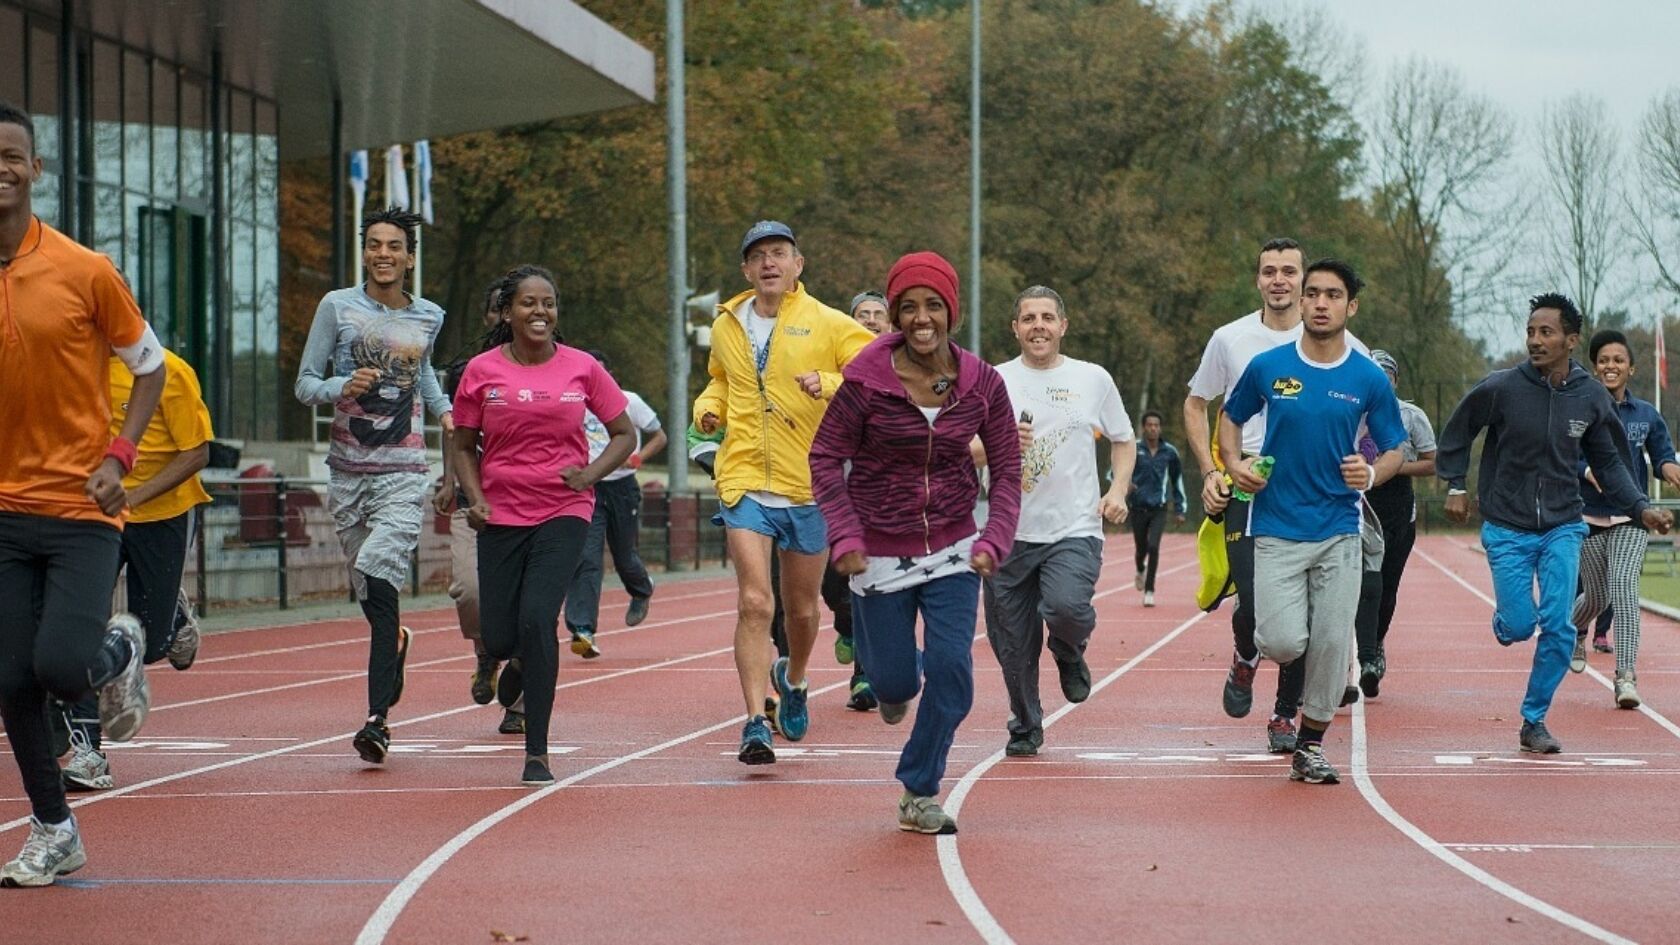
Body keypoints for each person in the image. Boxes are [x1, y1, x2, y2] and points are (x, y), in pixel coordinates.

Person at [0, 101, 164, 886]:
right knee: (8, 679)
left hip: (78, 507)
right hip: (0, 511)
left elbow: (151, 366)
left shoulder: (84, 269)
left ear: (35, 169)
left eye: (12, 154)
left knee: (62, 665)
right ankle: (52, 827)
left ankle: (120, 648)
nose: (0, 167)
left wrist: (120, 453)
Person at [811, 251, 1022, 833]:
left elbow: (1006, 467)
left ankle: (919, 790)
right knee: (896, 683)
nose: (921, 318)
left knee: (953, 668)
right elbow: (826, 458)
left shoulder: (982, 383)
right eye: (909, 307)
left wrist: (995, 534)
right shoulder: (864, 384)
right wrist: (846, 534)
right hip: (876, 549)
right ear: (896, 315)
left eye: (933, 306)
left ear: (950, 311)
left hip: (954, 544)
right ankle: (887, 679)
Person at [1438, 294, 1672, 754]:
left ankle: (1534, 719)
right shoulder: (1502, 387)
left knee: (1560, 627)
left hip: (1564, 525)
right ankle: (1507, 619)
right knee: (1520, 626)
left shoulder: (1590, 397)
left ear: (1570, 340)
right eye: (1530, 332)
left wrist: (1641, 507)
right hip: (1507, 524)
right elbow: (1459, 429)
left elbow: (1610, 463)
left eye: (1546, 333)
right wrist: (1454, 484)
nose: (1535, 341)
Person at [1218, 258, 1406, 784]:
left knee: (1330, 643)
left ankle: (1310, 744)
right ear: (1301, 302)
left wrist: (1369, 473)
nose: (1321, 303)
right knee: (1282, 641)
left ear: (1352, 306)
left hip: (1338, 529)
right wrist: (1235, 466)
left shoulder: (1367, 377)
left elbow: (1394, 446)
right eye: (1314, 294)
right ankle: (1252, 653)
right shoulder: (1269, 367)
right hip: (1276, 525)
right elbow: (1230, 418)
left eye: (1333, 295)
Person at [692, 221, 873, 763]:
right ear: (746, 270)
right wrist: (710, 407)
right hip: (744, 476)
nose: (769, 263)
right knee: (754, 601)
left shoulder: (831, 324)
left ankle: (793, 677)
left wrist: (831, 382)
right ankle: (753, 720)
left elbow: (878, 375)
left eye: (779, 253)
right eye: (758, 256)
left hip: (809, 483)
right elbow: (720, 378)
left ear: (798, 265)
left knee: (801, 610)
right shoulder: (727, 324)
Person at [449, 265, 635, 786]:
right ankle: (514, 663)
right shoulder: (481, 371)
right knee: (502, 634)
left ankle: (538, 753)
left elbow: (625, 434)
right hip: (500, 512)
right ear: (507, 313)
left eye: (548, 303)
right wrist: (476, 497)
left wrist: (590, 475)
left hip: (563, 508)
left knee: (538, 621)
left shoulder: (582, 368)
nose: (540, 312)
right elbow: (463, 445)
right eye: (528, 303)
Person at [295, 206, 452, 765]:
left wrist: (447, 413)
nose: (383, 254)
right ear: (365, 252)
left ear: (409, 258)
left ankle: (376, 720)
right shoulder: (336, 307)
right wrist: (343, 383)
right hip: (347, 471)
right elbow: (305, 384)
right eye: (373, 245)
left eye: (394, 246)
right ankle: (398, 643)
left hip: (404, 470)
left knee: (377, 572)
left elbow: (424, 372)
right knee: (370, 590)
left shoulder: (428, 315)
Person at [1187, 238, 1326, 753]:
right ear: (1258, 280)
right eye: (1269, 271)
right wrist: (1210, 470)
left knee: (1305, 609)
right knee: (1256, 600)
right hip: (1246, 483)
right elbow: (1196, 401)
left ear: (1304, 281)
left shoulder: (1335, 341)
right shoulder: (1230, 339)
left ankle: (1285, 716)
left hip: (1309, 487)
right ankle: (1246, 655)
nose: (1279, 280)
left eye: (1289, 271)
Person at [984, 285, 1134, 757]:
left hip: (1074, 526)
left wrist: (1117, 490)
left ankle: (1068, 650)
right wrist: (998, 443)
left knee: (1066, 608)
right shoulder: (991, 380)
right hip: (1008, 528)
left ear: (1063, 325)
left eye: (1047, 317)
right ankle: (1026, 722)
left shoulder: (1092, 378)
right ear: (1015, 328)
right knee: (1012, 642)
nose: (1038, 327)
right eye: (1028, 319)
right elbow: (958, 448)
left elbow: (1124, 440)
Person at [61, 349, 214, 792]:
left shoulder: (169, 371)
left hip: (161, 514)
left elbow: (197, 452)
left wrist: (134, 495)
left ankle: (175, 622)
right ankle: (89, 753)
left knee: (149, 647)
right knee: (80, 629)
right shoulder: (73, 370)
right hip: (96, 520)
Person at [1569, 329, 1680, 708]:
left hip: (1634, 515)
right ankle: (1574, 630)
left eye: (1618, 360)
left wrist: (1670, 470)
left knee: (1623, 588)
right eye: (1603, 360)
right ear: (1595, 368)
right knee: (1596, 597)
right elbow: (1566, 456)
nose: (1610, 366)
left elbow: (1662, 454)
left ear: (1630, 369)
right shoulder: (1579, 411)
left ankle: (1626, 677)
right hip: (1590, 516)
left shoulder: (1646, 414)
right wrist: (1588, 473)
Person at [436, 280, 526, 735]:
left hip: (532, 505)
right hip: (476, 503)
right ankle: (486, 653)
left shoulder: (554, 363)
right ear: (491, 316)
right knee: (470, 592)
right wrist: (449, 479)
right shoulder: (465, 371)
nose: (505, 319)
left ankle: (521, 704)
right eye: (498, 310)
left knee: (531, 607)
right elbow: (455, 432)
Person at [563, 350, 666, 658]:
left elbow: (659, 436)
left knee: (624, 555)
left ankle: (641, 588)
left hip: (622, 486)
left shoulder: (628, 400)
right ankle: (582, 629)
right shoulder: (573, 402)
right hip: (589, 487)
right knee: (586, 557)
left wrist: (639, 458)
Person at [1351, 349, 1437, 698]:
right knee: (1353, 585)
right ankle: (1362, 657)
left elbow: (1433, 463)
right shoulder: (1349, 410)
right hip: (1357, 501)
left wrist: (1392, 467)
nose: (1380, 383)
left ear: (1395, 381)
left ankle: (1376, 643)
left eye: (1386, 377)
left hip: (1398, 506)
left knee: (1386, 586)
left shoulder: (1410, 416)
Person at [826, 290, 893, 712]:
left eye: (878, 316)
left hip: (881, 493)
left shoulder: (904, 368)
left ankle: (864, 678)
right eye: (862, 315)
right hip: (832, 488)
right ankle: (845, 624)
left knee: (872, 585)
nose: (870, 321)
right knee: (834, 586)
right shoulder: (830, 367)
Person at [1128, 410, 1186, 607]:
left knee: (1153, 547)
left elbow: (1177, 481)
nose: (1153, 428)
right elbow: (1114, 473)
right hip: (1137, 507)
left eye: (1156, 425)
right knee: (1141, 548)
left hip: (1159, 508)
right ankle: (1139, 569)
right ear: (1144, 427)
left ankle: (1150, 590)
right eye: (1149, 425)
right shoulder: (1133, 449)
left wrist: (1180, 509)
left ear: (1160, 428)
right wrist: (1125, 485)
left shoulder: (1170, 452)